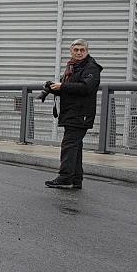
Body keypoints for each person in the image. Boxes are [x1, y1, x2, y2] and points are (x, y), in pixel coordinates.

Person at [45, 39, 102, 189]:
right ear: (71, 51)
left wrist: (62, 86)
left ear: (87, 51)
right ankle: (76, 179)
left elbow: (86, 87)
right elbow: (70, 88)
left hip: (81, 113)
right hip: (71, 111)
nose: (79, 52)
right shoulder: (72, 67)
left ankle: (65, 177)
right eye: (76, 49)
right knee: (75, 146)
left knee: (69, 145)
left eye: (82, 50)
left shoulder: (91, 68)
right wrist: (53, 88)